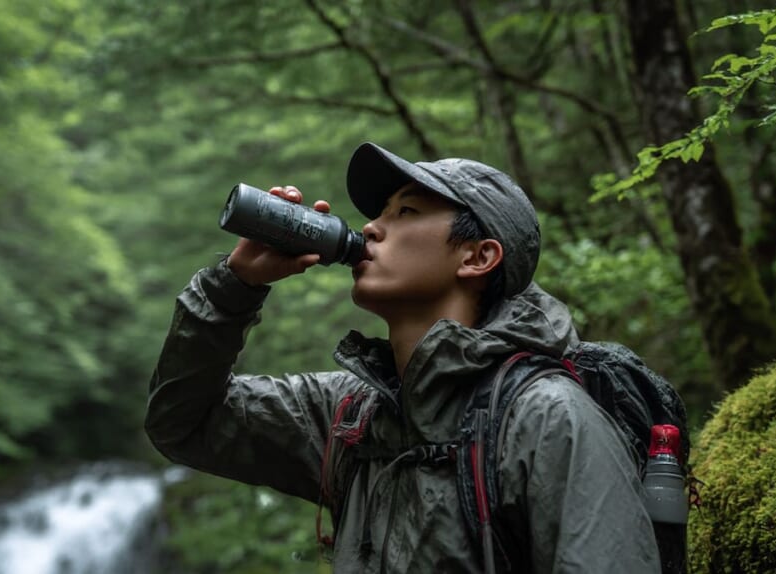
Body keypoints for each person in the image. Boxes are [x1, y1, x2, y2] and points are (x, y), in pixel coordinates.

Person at [145, 142, 660, 572]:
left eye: (405, 211)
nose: (370, 228)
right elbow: (185, 423)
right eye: (378, 212)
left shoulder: (547, 418)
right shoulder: (350, 414)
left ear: (478, 257)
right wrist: (235, 287)